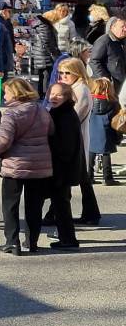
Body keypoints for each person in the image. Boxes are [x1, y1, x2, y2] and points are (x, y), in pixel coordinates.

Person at [0, 76, 53, 255]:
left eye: (7, 93)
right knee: (34, 206)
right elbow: (51, 131)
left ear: (16, 93)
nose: (4, 97)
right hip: (39, 165)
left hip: (15, 165)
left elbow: (3, 140)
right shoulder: (42, 110)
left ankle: (12, 242)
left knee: (10, 205)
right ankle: (32, 242)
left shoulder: (11, 113)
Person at [50, 57, 99, 227]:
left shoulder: (80, 90)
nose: (63, 76)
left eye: (67, 73)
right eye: (61, 72)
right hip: (75, 139)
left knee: (71, 177)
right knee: (80, 178)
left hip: (76, 140)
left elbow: (74, 117)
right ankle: (91, 212)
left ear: (76, 73)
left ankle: (56, 214)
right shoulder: (74, 88)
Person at [45, 81, 84, 249]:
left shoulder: (65, 115)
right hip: (62, 166)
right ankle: (66, 237)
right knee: (60, 204)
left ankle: (68, 239)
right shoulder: (59, 111)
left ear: (67, 97)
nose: (54, 97)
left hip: (62, 167)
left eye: (59, 95)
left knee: (62, 205)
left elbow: (65, 147)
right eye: (52, 94)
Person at [88, 76, 120, 186]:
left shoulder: (89, 100)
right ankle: (108, 178)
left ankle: (89, 176)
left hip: (91, 129)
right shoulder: (113, 102)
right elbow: (117, 118)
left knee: (90, 151)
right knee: (106, 153)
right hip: (106, 130)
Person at [90, 15, 126, 97]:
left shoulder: (122, 41)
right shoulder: (104, 41)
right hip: (110, 85)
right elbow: (94, 61)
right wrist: (105, 79)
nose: (125, 29)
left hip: (121, 83)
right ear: (113, 27)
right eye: (122, 27)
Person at [29, 10, 60, 97]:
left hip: (39, 53)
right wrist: (54, 53)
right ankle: (44, 94)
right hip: (44, 54)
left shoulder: (38, 25)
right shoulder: (45, 26)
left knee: (42, 75)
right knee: (46, 75)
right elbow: (47, 42)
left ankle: (42, 93)